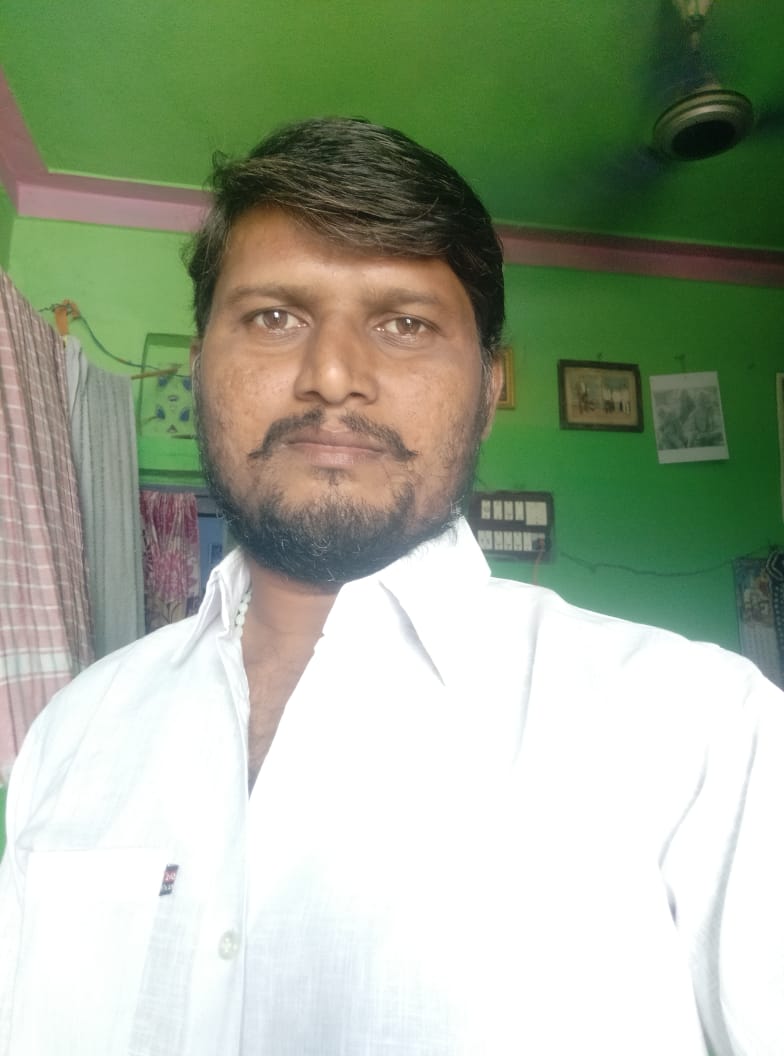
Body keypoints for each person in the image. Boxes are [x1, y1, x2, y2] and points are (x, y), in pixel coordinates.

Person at [0, 117, 782, 1056]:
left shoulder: (703, 733)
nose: (333, 376)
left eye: (405, 323)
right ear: (201, 365)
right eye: (274, 316)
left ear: (488, 391)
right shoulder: (71, 734)